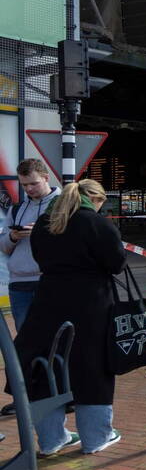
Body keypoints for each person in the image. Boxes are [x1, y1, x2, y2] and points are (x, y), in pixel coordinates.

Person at [14, 179, 127, 455]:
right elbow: (117, 263)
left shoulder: (44, 224)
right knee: (92, 368)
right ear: (94, 200)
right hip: (91, 307)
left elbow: (41, 259)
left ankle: (52, 441)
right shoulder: (96, 223)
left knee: (44, 368)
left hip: (47, 303)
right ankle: (96, 438)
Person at [0, 159, 60, 417]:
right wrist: (13, 236)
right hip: (20, 283)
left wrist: (41, 233)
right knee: (25, 341)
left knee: (54, 338)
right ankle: (27, 396)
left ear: (46, 178)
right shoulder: (18, 208)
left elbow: (71, 240)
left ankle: (55, 392)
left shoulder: (62, 206)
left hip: (49, 281)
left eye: (34, 183)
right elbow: (3, 246)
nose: (30, 190)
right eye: (25, 185)